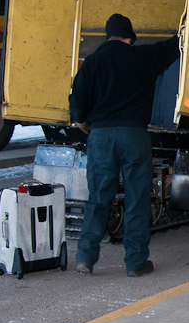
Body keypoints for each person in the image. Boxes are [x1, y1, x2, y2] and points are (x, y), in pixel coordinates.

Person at [69, 14, 180, 277]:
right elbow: (173, 46)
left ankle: (85, 259)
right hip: (134, 135)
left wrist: (85, 123)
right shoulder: (142, 57)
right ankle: (135, 262)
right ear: (129, 37)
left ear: (108, 36)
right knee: (137, 199)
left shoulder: (92, 62)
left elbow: (77, 103)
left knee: (98, 198)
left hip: (101, 137)